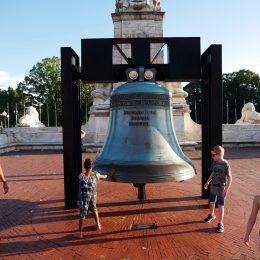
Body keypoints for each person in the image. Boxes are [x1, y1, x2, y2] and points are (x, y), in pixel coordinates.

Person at [76, 158, 115, 238]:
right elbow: (105, 176)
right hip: (93, 195)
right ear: (92, 166)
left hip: (85, 196)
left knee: (82, 213)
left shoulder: (81, 177)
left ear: (84, 166)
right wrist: (111, 174)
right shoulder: (96, 175)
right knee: (94, 209)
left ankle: (80, 233)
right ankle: (98, 225)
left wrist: (79, 201)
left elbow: (79, 189)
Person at [203, 145, 232, 233]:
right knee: (211, 202)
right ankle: (211, 214)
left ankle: (220, 223)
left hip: (221, 189)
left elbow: (230, 178)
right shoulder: (215, 163)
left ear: (219, 154)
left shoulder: (226, 165)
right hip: (213, 188)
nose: (212, 157)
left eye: (213, 155)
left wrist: (226, 190)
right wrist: (208, 182)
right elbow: (213, 173)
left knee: (220, 206)